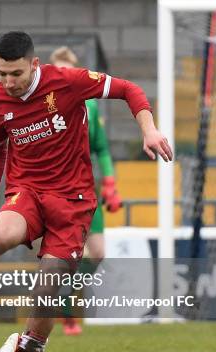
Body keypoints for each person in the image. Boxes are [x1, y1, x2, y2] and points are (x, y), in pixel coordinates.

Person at [0, 31, 173, 352]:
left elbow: (128, 89)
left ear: (35, 65)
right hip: (26, 191)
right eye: (1, 74)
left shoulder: (68, 83)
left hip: (72, 200)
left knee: (47, 288)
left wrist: (149, 130)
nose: (8, 83)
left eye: (16, 74)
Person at [50, 46, 123, 336]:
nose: (64, 77)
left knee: (98, 253)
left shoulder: (91, 107)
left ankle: (63, 299)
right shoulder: (43, 108)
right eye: (59, 71)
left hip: (84, 190)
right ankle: (64, 314)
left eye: (69, 72)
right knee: (62, 257)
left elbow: (102, 148)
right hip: (53, 192)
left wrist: (110, 182)